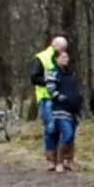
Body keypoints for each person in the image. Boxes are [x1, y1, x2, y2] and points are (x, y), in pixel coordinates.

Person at [29, 36, 68, 170]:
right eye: (62, 47)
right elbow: (34, 78)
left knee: (62, 128)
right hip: (46, 98)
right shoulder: (41, 57)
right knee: (50, 128)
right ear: (54, 45)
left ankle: (62, 159)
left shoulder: (63, 57)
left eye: (65, 48)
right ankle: (51, 159)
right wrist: (50, 82)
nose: (63, 50)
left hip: (60, 97)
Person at [44, 49, 83, 172]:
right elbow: (50, 89)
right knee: (67, 133)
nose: (66, 59)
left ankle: (68, 161)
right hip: (60, 109)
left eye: (67, 57)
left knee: (71, 137)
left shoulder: (71, 73)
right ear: (56, 59)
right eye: (63, 57)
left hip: (73, 109)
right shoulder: (52, 72)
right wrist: (60, 97)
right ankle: (59, 161)